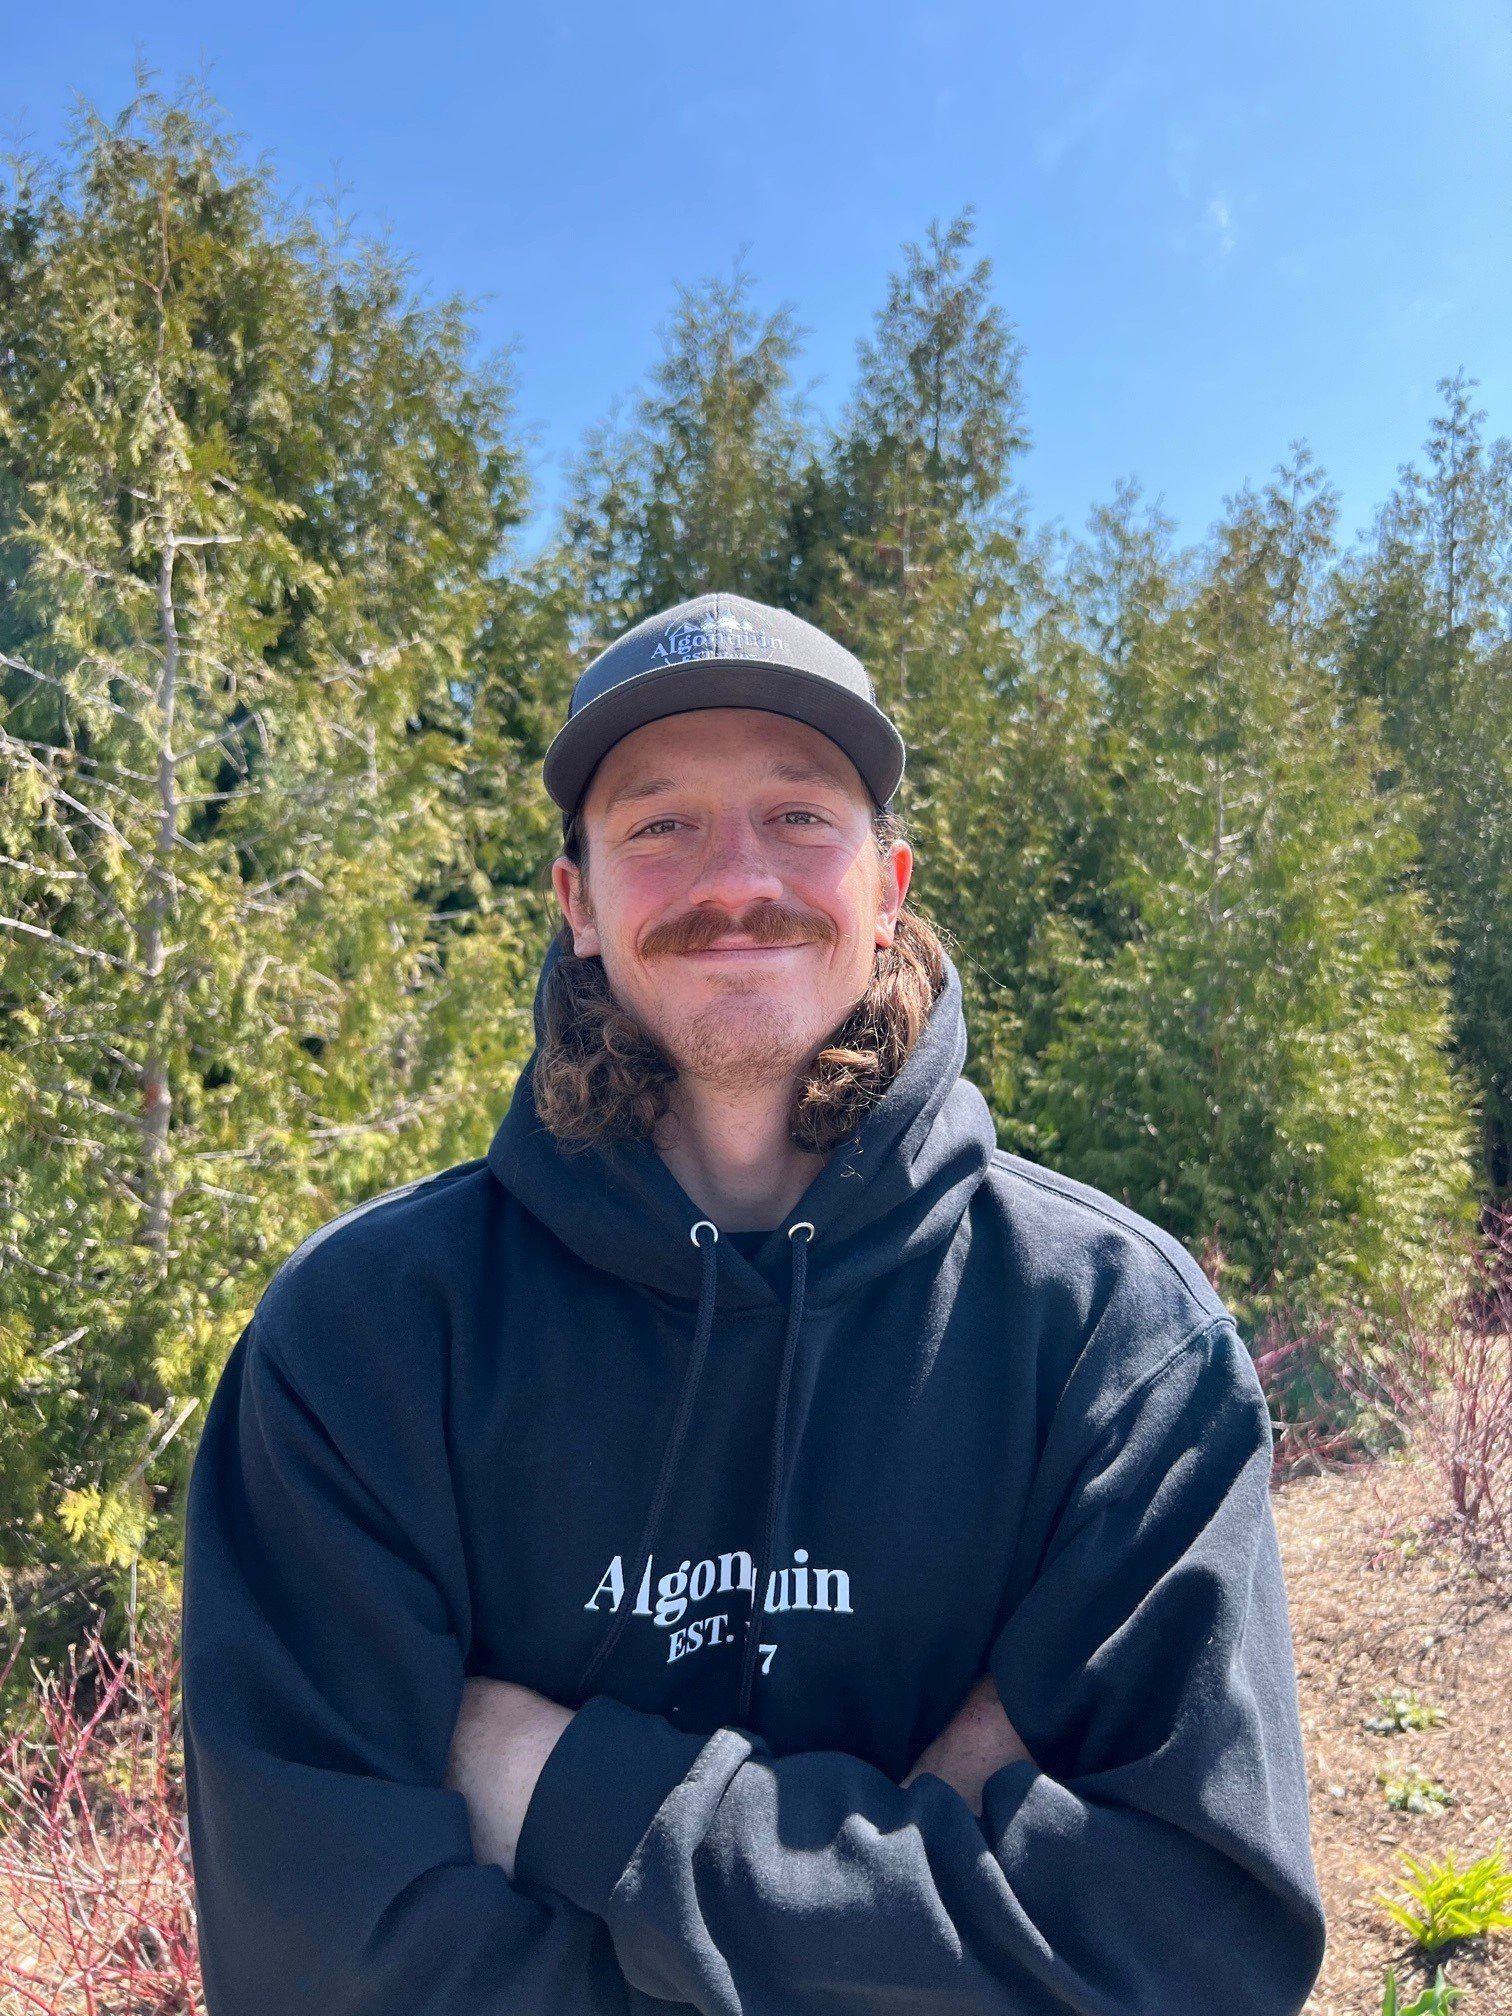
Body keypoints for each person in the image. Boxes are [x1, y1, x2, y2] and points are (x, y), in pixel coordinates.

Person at [180, 589, 1329, 2015]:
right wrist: (931, 1868)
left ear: (889, 887)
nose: (737, 877)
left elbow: (1196, 1949)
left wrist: (566, 1792)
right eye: (660, 824)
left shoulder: (1110, 1339)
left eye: (798, 816)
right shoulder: (365, 1344)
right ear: (579, 905)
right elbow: (324, 1968)